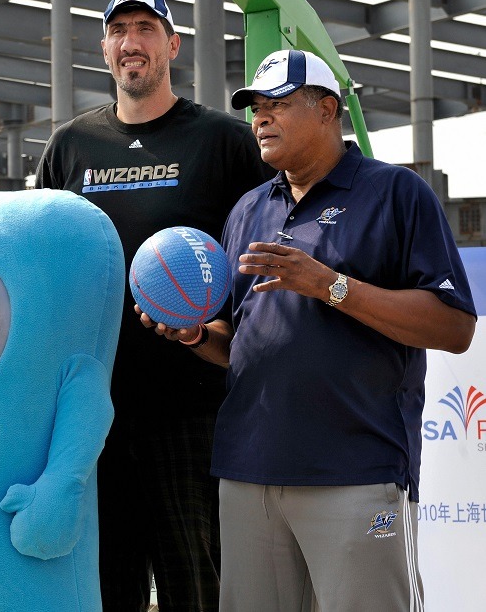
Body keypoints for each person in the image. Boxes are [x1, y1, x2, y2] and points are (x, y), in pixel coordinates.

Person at [142, 49, 477, 611]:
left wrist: (330, 285)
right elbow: (242, 343)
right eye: (255, 108)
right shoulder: (248, 208)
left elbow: (455, 327)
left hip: (354, 471)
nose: (261, 119)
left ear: (327, 110)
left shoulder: (396, 193)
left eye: (278, 104)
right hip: (248, 473)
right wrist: (198, 336)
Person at [35, 0, 273, 611]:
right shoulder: (71, 146)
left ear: (173, 45)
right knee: (102, 586)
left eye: (146, 28)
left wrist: (215, 328)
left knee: (195, 585)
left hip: (193, 408)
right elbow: (42, 262)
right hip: (93, 412)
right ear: (105, 48)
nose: (131, 42)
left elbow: (267, 254)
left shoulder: (223, 141)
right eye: (119, 30)